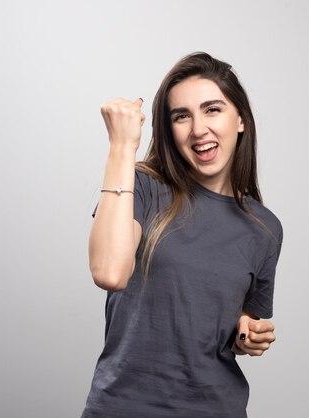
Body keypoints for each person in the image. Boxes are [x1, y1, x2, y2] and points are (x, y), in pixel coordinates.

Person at [81, 52, 283, 418]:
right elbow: (109, 272)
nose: (198, 129)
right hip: (122, 408)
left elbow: (236, 325)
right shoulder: (141, 187)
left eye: (212, 110)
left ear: (240, 120)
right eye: (181, 116)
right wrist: (121, 147)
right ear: (169, 129)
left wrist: (246, 335)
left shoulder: (263, 228)